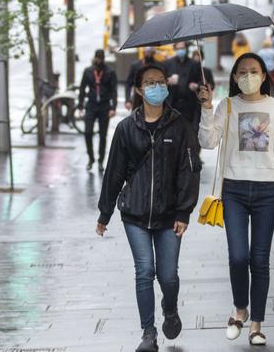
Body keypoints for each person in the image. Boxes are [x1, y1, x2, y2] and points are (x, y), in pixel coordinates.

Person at [197, 53, 274, 346]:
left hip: (267, 192)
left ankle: (256, 324)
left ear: (265, 76)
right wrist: (206, 109)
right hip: (234, 190)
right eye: (242, 72)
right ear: (233, 78)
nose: (248, 76)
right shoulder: (227, 105)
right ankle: (240, 309)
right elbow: (207, 142)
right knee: (238, 256)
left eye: (253, 71)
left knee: (260, 259)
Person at [96, 64, 201, 352]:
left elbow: (190, 170)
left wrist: (184, 212)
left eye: (161, 81)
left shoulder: (179, 125)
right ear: (140, 89)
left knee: (168, 276)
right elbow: (114, 172)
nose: (157, 86)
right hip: (135, 214)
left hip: (170, 216)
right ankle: (148, 333)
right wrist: (105, 213)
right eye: (150, 82)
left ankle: (170, 307)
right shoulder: (126, 128)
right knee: (144, 271)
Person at [78, 49, 118, 172]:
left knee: (103, 135)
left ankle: (100, 161)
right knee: (88, 132)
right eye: (97, 59)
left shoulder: (110, 72)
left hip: (104, 106)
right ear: (94, 58)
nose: (98, 61)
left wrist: (113, 108)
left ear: (103, 59)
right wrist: (80, 106)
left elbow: (114, 91)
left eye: (100, 59)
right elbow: (82, 88)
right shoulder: (88, 71)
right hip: (91, 105)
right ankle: (91, 158)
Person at [164, 41, 204, 134]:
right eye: (178, 49)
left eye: (182, 48)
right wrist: (168, 81)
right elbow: (161, 81)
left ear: (186, 49)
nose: (180, 50)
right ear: (175, 49)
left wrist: (196, 86)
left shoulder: (194, 64)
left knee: (190, 134)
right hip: (173, 105)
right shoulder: (168, 64)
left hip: (189, 105)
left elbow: (202, 82)